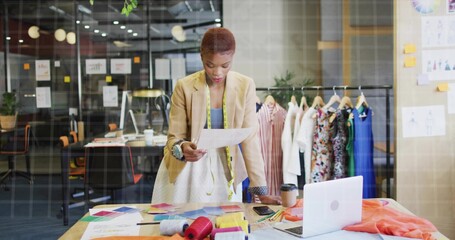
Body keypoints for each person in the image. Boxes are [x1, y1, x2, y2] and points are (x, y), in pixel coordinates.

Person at [152, 27, 281, 205]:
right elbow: (174, 137)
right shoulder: (184, 86)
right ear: (201, 58)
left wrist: (260, 190)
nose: (217, 72)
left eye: (225, 65)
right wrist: (182, 149)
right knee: (187, 225)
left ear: (232, 57)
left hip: (226, 168)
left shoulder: (245, 86)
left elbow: (250, 138)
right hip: (189, 170)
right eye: (210, 65)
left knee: (226, 225)